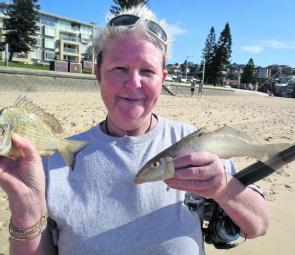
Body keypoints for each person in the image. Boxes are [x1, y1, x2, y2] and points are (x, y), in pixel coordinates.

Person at [0, 5, 269, 255]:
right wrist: (26, 208)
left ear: (163, 78)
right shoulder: (51, 160)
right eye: (119, 69)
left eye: (147, 71)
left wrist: (222, 188)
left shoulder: (195, 145)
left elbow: (258, 225)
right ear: (98, 74)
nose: (133, 83)